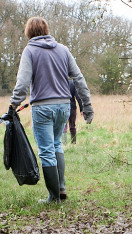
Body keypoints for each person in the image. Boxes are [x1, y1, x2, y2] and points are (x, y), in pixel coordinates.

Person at [9, 16, 94, 203]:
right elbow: (79, 79)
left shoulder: (29, 50)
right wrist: (87, 106)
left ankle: (54, 197)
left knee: (47, 149)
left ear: (28, 32)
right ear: (47, 30)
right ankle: (61, 189)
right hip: (64, 106)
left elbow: (22, 83)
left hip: (42, 108)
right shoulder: (63, 50)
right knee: (56, 145)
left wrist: (13, 104)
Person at [60, 80, 81, 145]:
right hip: (72, 107)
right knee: (72, 126)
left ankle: (64, 143)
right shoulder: (72, 84)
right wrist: (81, 109)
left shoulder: (59, 83)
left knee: (63, 125)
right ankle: (73, 143)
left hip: (62, 106)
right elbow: (78, 97)